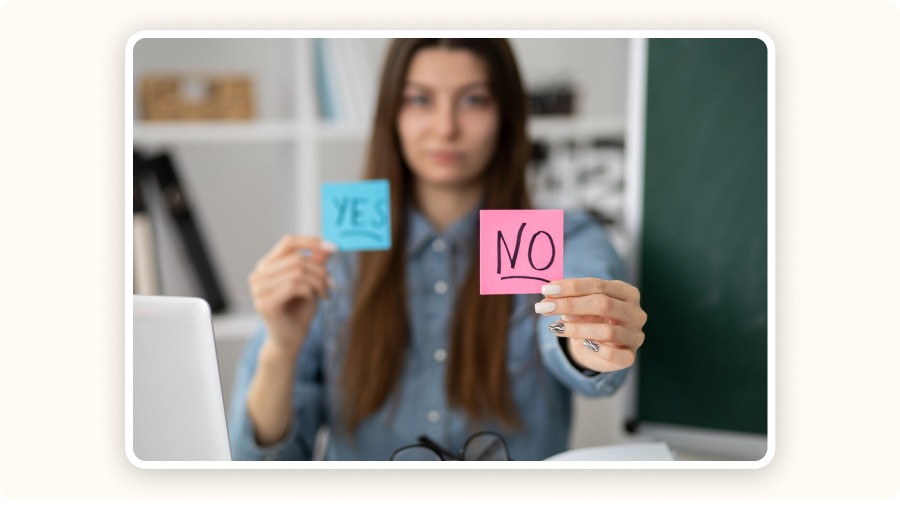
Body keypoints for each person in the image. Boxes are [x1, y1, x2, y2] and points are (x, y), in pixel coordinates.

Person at [228, 38, 647, 461]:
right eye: (420, 99)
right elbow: (261, 462)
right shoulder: (335, 259)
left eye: (473, 100)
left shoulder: (564, 240)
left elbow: (561, 329)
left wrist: (588, 340)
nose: (445, 128)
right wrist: (280, 349)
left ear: (506, 114)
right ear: (391, 114)